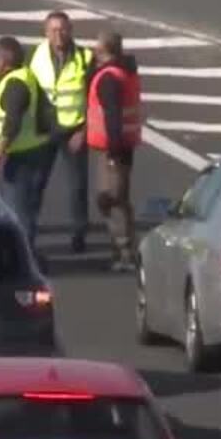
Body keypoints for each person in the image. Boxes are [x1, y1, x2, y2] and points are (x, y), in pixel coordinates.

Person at [29, 11, 93, 252]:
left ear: (71, 30)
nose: (58, 34)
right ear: (45, 32)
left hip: (73, 129)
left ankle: (79, 233)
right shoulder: (35, 57)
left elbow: (93, 100)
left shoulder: (85, 58)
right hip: (44, 130)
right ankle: (29, 232)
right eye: (53, 30)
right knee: (36, 183)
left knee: (77, 186)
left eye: (63, 29)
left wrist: (84, 131)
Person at [0, 36, 51, 240]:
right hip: (34, 151)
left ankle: (25, 257)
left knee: (18, 211)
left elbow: (12, 122)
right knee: (25, 209)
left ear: (3, 61)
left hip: (20, 157)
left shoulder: (14, 84)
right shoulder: (25, 76)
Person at [86, 32, 142, 271]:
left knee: (111, 199)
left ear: (103, 49)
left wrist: (112, 154)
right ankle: (123, 248)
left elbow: (112, 117)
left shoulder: (109, 78)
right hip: (121, 145)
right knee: (117, 198)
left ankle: (124, 252)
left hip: (112, 148)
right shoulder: (123, 71)